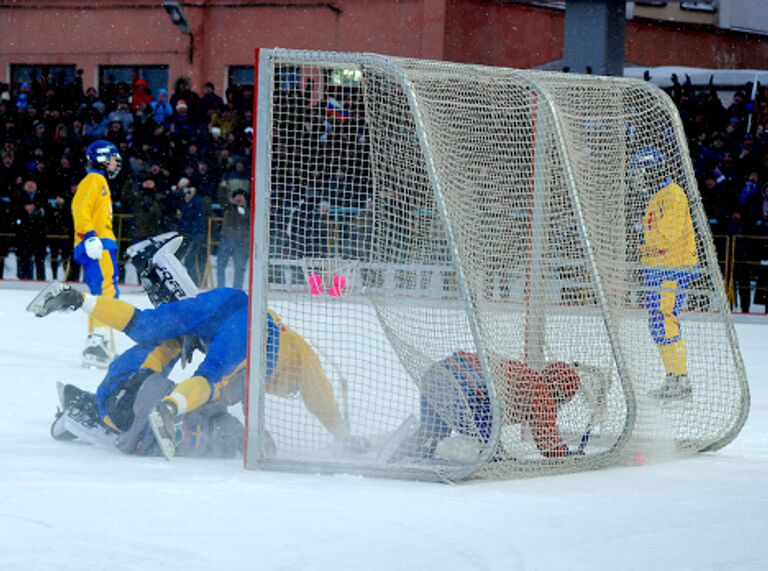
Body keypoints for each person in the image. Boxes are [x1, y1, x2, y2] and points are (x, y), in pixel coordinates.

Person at [28, 234, 362, 460]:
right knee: (209, 378)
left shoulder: (262, 371)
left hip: (234, 303)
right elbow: (321, 403)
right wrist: (343, 436)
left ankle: (78, 298)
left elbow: (247, 398)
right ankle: (166, 407)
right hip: (254, 335)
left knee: (153, 326)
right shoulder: (304, 364)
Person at [396, 351, 583, 461]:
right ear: (561, 393)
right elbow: (547, 441)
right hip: (464, 386)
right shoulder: (541, 390)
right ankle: (490, 455)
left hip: (437, 373)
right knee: (490, 444)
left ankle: (400, 453)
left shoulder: (524, 375)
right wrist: (567, 455)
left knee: (432, 431)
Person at [633, 147, 698, 401]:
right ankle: (672, 376)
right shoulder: (656, 196)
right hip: (657, 268)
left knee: (665, 319)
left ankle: (680, 380)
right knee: (658, 322)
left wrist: (641, 238)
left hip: (671, 268)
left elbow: (665, 236)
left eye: (640, 173)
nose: (637, 178)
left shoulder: (673, 195)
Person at [71, 139, 122, 368]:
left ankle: (99, 342)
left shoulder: (98, 180)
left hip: (99, 241)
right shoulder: (95, 179)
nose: (115, 162)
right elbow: (79, 206)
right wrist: (90, 235)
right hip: (97, 242)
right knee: (105, 290)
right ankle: (98, 341)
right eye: (112, 157)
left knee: (100, 291)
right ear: (102, 158)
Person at [217, 188, 250, 289]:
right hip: (226, 240)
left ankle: (237, 290)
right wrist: (222, 187)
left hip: (241, 243)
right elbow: (221, 199)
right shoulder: (229, 207)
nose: (239, 197)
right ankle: (220, 288)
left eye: (241, 195)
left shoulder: (250, 211)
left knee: (239, 268)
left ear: (245, 199)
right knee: (221, 266)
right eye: (237, 195)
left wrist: (246, 240)